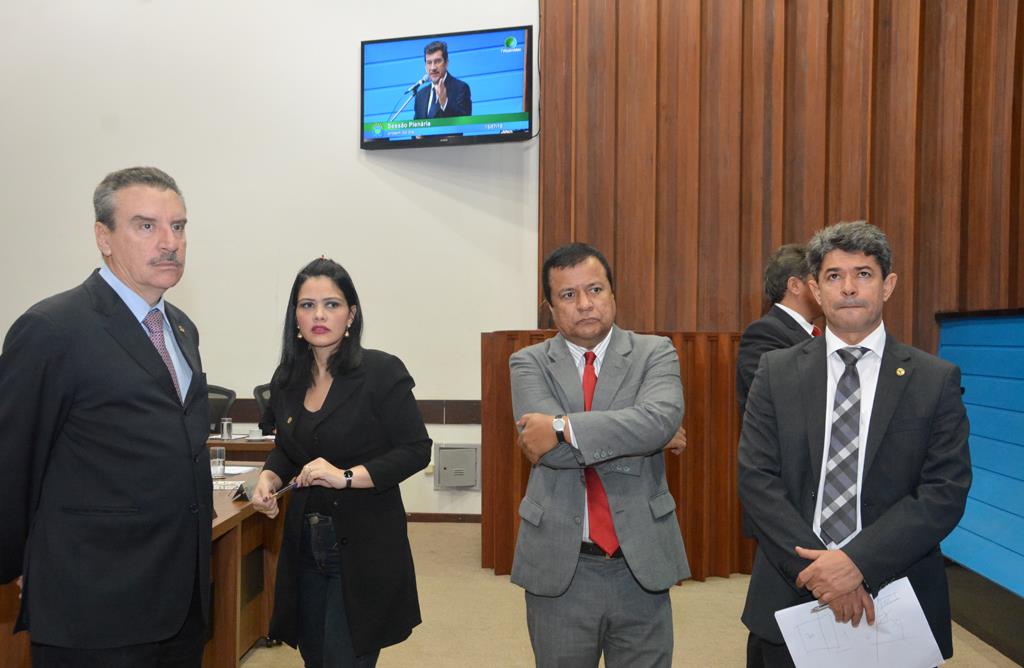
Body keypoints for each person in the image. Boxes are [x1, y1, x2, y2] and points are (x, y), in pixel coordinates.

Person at [0, 167, 211, 665]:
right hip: (93, 602)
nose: (170, 242)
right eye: (146, 226)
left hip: (180, 599)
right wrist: (18, 561)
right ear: (103, 237)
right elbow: (12, 459)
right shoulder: (53, 328)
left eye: (178, 226)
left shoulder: (181, 328)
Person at [737, 221, 972, 667]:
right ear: (815, 289)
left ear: (888, 285)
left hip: (897, 595)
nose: (848, 287)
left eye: (863, 274)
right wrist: (823, 573)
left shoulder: (934, 380)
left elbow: (945, 491)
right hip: (791, 590)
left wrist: (857, 563)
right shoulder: (775, 372)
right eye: (833, 276)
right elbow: (757, 480)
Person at [510, 243, 689, 667]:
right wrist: (642, 436)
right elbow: (548, 455)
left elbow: (658, 420)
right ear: (550, 308)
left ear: (612, 293)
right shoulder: (528, 363)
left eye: (595, 289)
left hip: (640, 560)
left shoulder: (655, 352)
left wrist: (560, 427)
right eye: (568, 294)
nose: (585, 304)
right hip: (561, 564)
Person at [252, 258, 431, 667]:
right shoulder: (286, 378)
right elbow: (287, 447)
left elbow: (416, 449)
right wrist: (269, 477)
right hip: (304, 543)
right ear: (295, 317)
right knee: (315, 657)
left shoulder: (381, 371)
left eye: (331, 304)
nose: (318, 315)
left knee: (343, 659)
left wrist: (345, 477)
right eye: (307, 305)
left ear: (351, 315)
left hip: (363, 543)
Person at [736, 244, 823, 414]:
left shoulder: (814, 333)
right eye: (820, 281)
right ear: (795, 285)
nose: (829, 289)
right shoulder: (764, 332)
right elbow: (772, 396)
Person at [413, 40, 472, 119]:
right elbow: (417, 125)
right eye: (429, 63)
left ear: (446, 63)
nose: (433, 68)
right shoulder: (420, 95)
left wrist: (444, 103)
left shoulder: (461, 88)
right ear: (425, 66)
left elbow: (464, 121)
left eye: (437, 61)